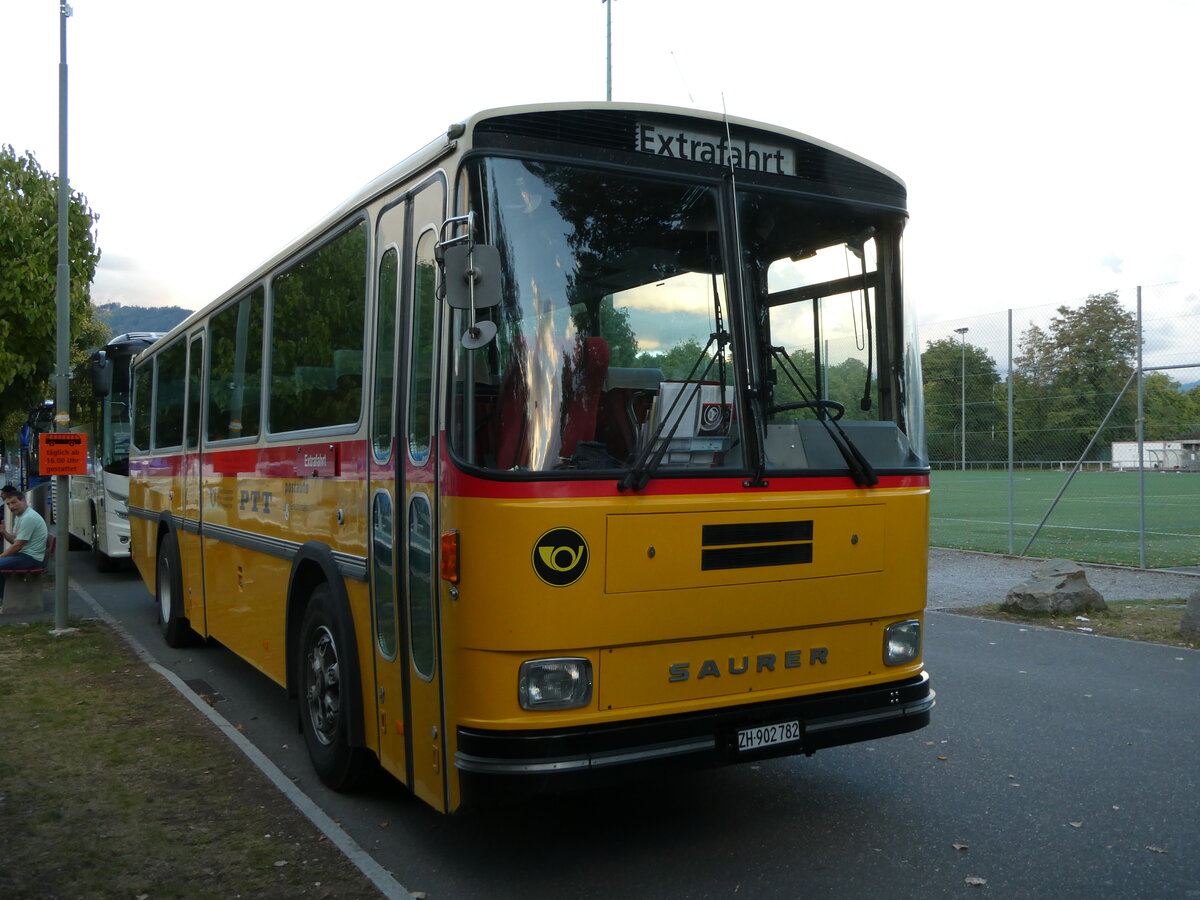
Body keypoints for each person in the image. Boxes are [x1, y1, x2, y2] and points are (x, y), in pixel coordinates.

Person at [0, 489, 48, 605]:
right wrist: (4, 532)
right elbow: (15, 541)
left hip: (31, 558)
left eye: (14, 502)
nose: (11, 507)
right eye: (8, 504)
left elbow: (17, 546)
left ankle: (2, 599)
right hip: (24, 555)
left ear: (23, 501)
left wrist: (1, 556)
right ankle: (2, 598)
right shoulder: (20, 516)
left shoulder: (28, 518)